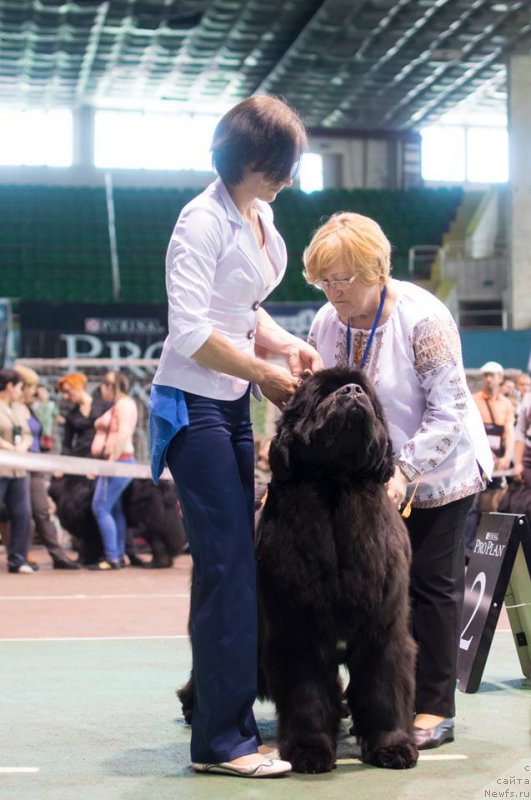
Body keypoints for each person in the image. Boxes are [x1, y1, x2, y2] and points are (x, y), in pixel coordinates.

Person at [150, 95, 322, 778]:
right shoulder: (199, 222)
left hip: (228, 402)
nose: (287, 174)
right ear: (248, 158)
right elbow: (190, 331)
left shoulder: (261, 215)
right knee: (228, 568)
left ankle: (216, 713)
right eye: (280, 162)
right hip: (190, 405)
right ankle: (223, 743)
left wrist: (287, 346)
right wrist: (263, 374)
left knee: (227, 568)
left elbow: (243, 311)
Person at [303, 211, 492, 750]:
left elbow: (451, 410)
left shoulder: (423, 319)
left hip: (440, 470)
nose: (333, 290)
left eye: (343, 279)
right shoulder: (325, 322)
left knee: (429, 587)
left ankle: (435, 707)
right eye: (323, 279)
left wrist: (405, 470)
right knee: (377, 594)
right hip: (370, 481)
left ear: (375, 269)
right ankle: (376, 701)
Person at [15, 365, 80, 570]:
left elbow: (43, 424)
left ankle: (57, 555)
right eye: (31, 386)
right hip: (20, 464)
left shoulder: (31, 407)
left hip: (35, 463)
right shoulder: (13, 408)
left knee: (41, 511)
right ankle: (21, 556)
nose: (34, 391)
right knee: (24, 513)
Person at [90, 372, 138, 570]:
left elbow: (124, 432)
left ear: (111, 385)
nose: (101, 390)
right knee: (113, 509)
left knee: (100, 507)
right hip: (116, 462)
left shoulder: (125, 404)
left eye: (103, 385)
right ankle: (116, 554)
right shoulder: (119, 404)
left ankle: (112, 556)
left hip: (119, 462)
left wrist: (112, 460)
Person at [0, 368, 34, 574]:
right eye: (19, 387)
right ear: (10, 386)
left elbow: (28, 433)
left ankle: (17, 560)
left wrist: (23, 447)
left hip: (18, 471)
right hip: (2, 468)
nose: (21, 392)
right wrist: (8, 447)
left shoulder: (18, 408)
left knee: (23, 514)